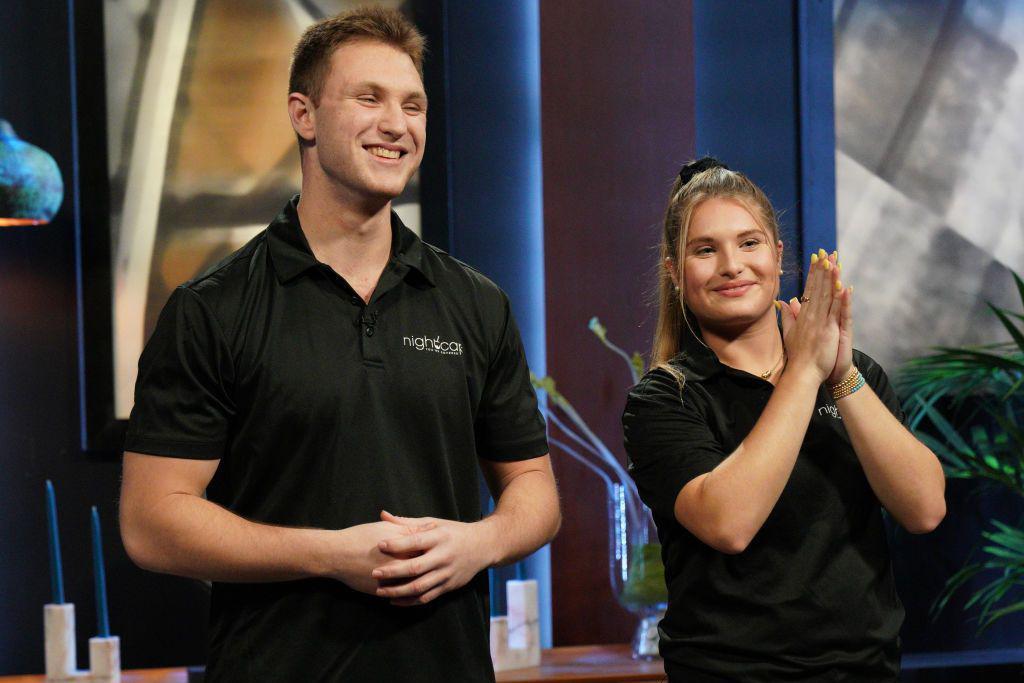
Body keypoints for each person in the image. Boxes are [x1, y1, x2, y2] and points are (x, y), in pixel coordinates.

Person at [118, 8, 560, 682]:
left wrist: (479, 541)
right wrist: (330, 554)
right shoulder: (213, 309)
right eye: (369, 98)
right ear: (304, 115)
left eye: (413, 105)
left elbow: (534, 489)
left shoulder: (476, 303)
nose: (397, 123)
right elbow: (152, 522)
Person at [622, 158, 946, 682]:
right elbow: (729, 524)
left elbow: (926, 508)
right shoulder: (664, 399)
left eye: (749, 243)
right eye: (706, 250)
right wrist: (805, 372)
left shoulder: (853, 375)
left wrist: (839, 375)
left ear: (777, 256)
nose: (732, 265)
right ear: (675, 272)